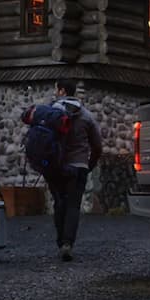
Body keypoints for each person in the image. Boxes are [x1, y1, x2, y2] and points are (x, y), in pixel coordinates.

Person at [47, 78, 102, 262]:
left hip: (57, 167)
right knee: (73, 206)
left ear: (62, 91)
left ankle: (60, 240)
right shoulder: (86, 115)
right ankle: (67, 244)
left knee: (59, 203)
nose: (55, 92)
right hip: (78, 167)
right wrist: (90, 165)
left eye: (56, 89)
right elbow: (97, 146)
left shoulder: (51, 112)